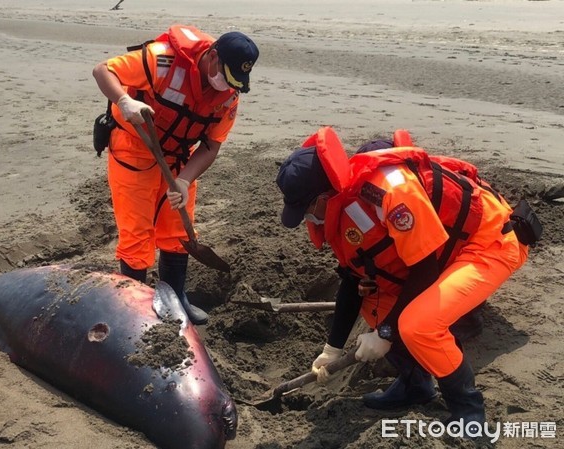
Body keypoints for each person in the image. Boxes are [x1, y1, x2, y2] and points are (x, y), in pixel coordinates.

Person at [276, 126, 531, 436]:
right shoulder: (345, 203)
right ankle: (416, 384)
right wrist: (332, 348)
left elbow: (424, 270)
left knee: (417, 325)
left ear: (325, 193)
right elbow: (353, 277)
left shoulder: (390, 192)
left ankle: (468, 411)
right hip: (441, 249)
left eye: (306, 209)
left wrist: (385, 333)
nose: (307, 219)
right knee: (374, 304)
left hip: (489, 241)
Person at [93, 25, 259, 324]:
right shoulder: (162, 60)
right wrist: (124, 100)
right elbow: (102, 71)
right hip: (135, 148)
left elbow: (211, 145)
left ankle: (176, 298)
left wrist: (184, 180)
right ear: (212, 56)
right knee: (137, 234)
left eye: (235, 81)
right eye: (225, 75)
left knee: (178, 231)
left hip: (179, 158)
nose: (226, 85)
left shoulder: (229, 97)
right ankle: (135, 307)